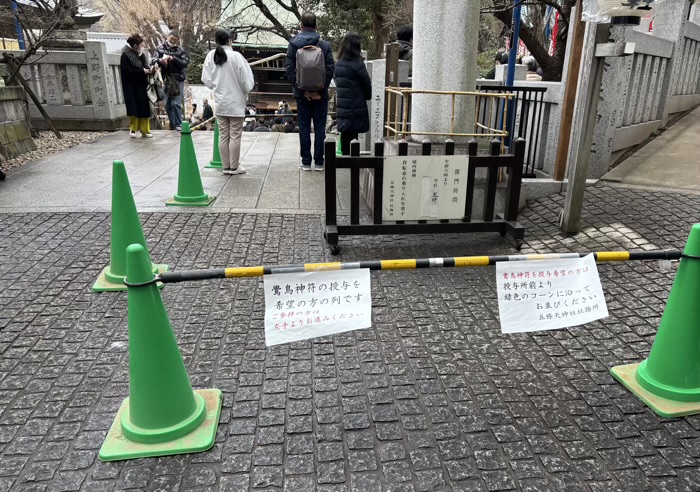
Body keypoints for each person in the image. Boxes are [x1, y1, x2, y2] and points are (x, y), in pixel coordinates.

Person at [286, 11, 335, 171]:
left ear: (301, 26)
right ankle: (319, 162)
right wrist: (320, 90)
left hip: (301, 95)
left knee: (304, 127)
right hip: (320, 95)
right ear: (316, 26)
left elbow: (289, 70)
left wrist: (303, 92)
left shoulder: (293, 44)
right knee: (320, 128)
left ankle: (306, 162)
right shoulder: (324, 45)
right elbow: (329, 69)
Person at [201, 28, 254, 175]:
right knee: (235, 134)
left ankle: (226, 166)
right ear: (230, 40)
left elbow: (206, 79)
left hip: (220, 101)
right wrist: (246, 90)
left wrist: (216, 85)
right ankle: (235, 166)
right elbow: (246, 81)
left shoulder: (211, 55)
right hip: (235, 101)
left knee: (223, 135)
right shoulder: (236, 56)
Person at [333, 32, 371, 155]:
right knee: (354, 137)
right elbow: (367, 85)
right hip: (356, 105)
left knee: (345, 133)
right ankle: (353, 163)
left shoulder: (338, 63)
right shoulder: (358, 64)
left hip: (343, 106)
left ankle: (344, 160)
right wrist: (366, 96)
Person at [153, 30, 189, 131]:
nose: (173, 41)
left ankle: (179, 124)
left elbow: (184, 63)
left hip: (178, 79)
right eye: (171, 38)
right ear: (167, 37)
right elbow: (153, 60)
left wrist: (173, 59)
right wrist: (160, 60)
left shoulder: (180, 50)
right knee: (168, 104)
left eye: (175, 40)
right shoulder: (159, 49)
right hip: (166, 79)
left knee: (175, 103)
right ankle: (173, 124)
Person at [120, 34, 154, 138]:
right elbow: (126, 71)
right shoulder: (125, 55)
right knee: (133, 108)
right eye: (140, 44)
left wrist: (150, 70)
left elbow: (146, 66)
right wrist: (142, 71)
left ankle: (145, 130)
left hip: (142, 84)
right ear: (135, 45)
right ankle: (133, 129)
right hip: (131, 85)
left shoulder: (142, 55)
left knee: (144, 107)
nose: (142, 46)